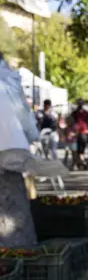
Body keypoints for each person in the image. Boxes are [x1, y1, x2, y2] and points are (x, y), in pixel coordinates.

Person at [0, 50, 38, 246]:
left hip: (9, 153)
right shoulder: (8, 80)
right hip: (11, 152)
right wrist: (34, 137)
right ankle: (19, 256)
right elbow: (24, 116)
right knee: (14, 214)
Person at [70, 99, 88, 170]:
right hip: (78, 132)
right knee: (78, 149)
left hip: (82, 132)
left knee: (80, 149)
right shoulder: (74, 113)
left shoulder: (85, 113)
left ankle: (80, 162)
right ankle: (81, 162)